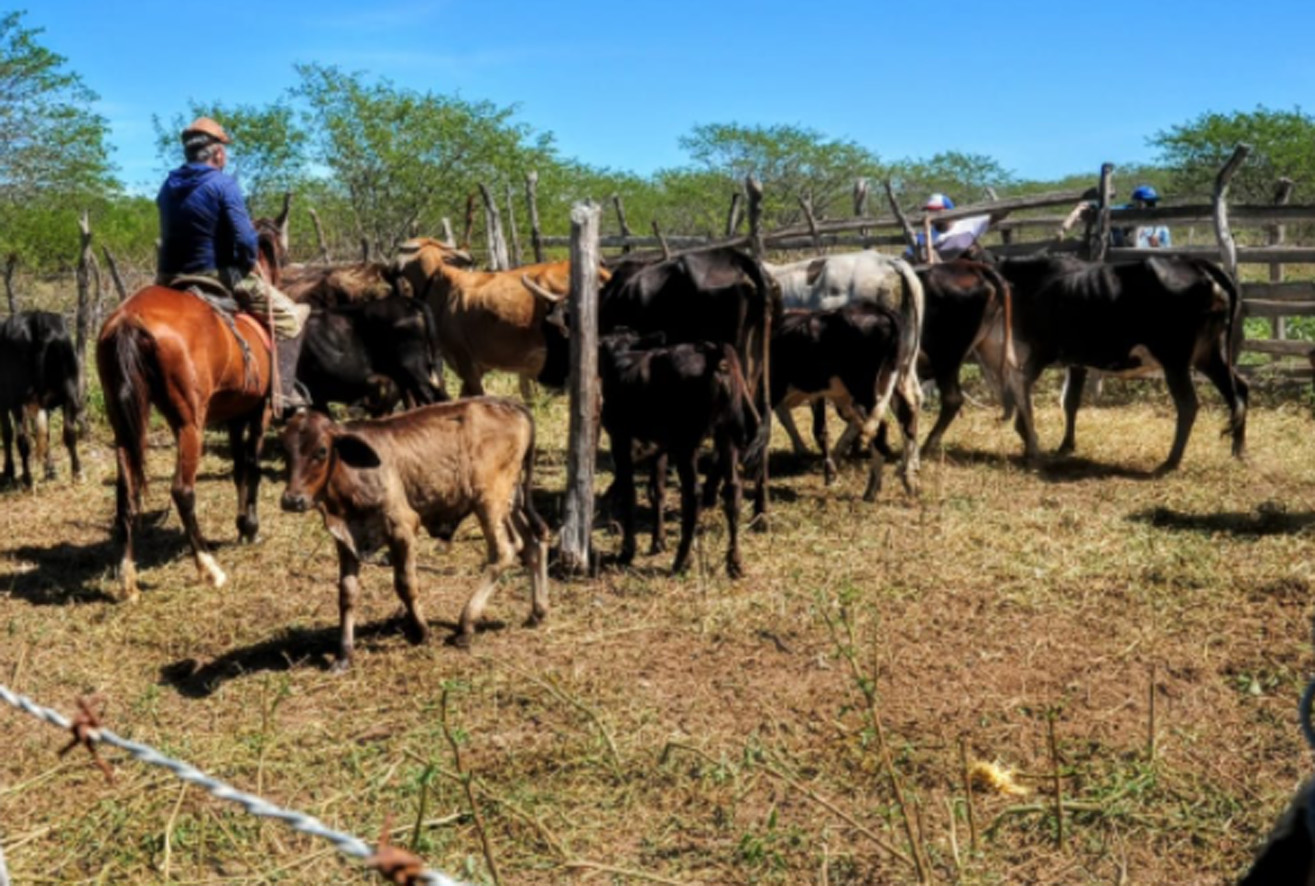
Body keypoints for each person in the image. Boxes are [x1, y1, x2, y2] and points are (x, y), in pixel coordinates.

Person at [156, 116, 310, 414]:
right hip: (216, 275)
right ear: (217, 153)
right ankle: (284, 394)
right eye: (224, 150)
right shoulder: (223, 183)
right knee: (293, 317)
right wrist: (246, 262)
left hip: (167, 278)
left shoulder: (167, 185)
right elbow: (244, 238)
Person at [909, 193, 995, 261]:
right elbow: (908, 254)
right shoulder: (923, 237)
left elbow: (997, 215)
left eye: (937, 211)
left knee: (984, 255)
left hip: (971, 267)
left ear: (950, 211)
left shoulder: (969, 223)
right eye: (930, 211)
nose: (932, 215)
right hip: (944, 273)